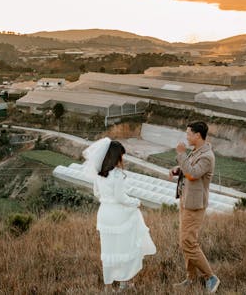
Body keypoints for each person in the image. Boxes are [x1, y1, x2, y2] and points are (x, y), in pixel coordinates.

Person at [83, 138, 156, 293]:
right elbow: (121, 198)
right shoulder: (117, 175)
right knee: (125, 247)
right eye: (121, 156)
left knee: (108, 250)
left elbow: (97, 193)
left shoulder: (99, 173)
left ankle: (108, 286)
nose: (122, 160)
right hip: (118, 215)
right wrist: (136, 202)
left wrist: (107, 199)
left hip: (104, 214)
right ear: (116, 156)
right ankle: (124, 282)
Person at [169, 121, 220, 294]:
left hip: (194, 205)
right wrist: (178, 169)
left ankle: (210, 277)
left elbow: (192, 174)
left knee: (188, 242)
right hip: (186, 200)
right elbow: (189, 168)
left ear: (197, 135)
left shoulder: (207, 156)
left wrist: (181, 155)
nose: (186, 137)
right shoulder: (197, 151)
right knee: (186, 241)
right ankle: (191, 278)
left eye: (189, 134)